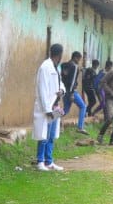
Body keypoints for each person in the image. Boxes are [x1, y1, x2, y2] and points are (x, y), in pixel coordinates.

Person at [33, 44, 66, 172]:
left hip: (55, 105)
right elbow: (42, 89)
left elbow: (60, 83)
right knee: (44, 136)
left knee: (51, 135)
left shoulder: (56, 67)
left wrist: (62, 90)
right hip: (46, 107)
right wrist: (47, 109)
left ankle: (49, 161)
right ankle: (40, 161)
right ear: (60, 54)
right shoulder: (45, 67)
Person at [60, 51, 88, 134]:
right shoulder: (75, 67)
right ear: (75, 58)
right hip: (71, 91)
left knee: (66, 110)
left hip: (64, 90)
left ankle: (53, 119)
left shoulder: (64, 65)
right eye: (79, 59)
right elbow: (72, 81)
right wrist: (72, 93)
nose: (79, 61)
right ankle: (80, 127)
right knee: (83, 106)